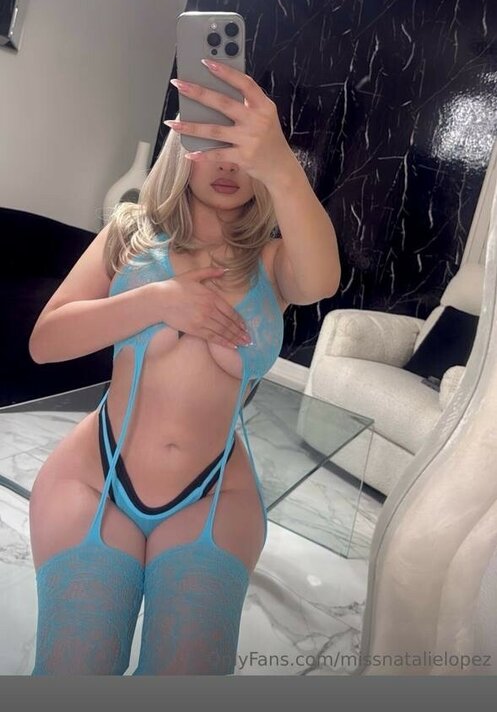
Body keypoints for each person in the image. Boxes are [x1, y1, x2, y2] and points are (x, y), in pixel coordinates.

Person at [28, 59, 341, 675]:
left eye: (242, 150)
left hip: (215, 495)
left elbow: (324, 279)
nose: (227, 165)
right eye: (209, 143)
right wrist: (157, 301)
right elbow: (46, 342)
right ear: (180, 145)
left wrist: (280, 161)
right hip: (94, 480)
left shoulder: (274, 262)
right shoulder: (129, 234)